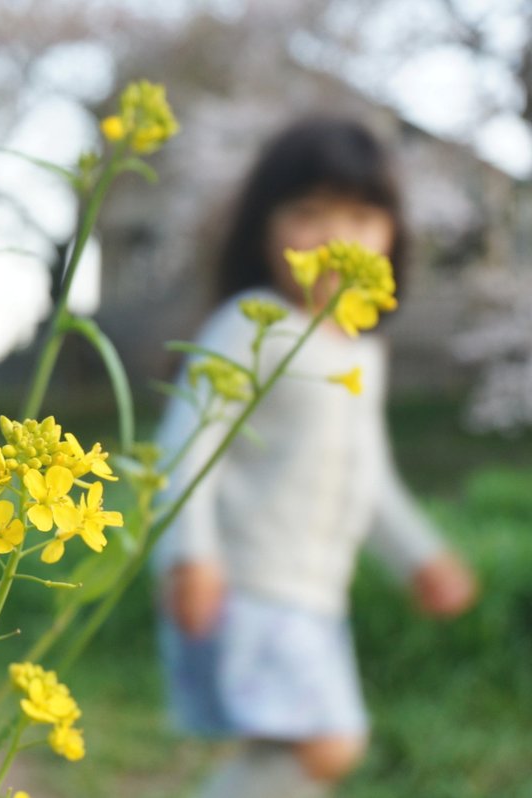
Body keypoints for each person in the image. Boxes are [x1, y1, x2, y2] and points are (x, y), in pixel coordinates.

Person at [151, 116, 477, 798]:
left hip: (313, 591)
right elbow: (185, 444)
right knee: (330, 744)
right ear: (261, 230)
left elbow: (372, 475)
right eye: (308, 213)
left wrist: (419, 555)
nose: (336, 238)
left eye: (361, 217)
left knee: (292, 752)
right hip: (243, 580)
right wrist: (189, 553)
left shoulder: (360, 350)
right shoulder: (251, 323)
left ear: (393, 235)